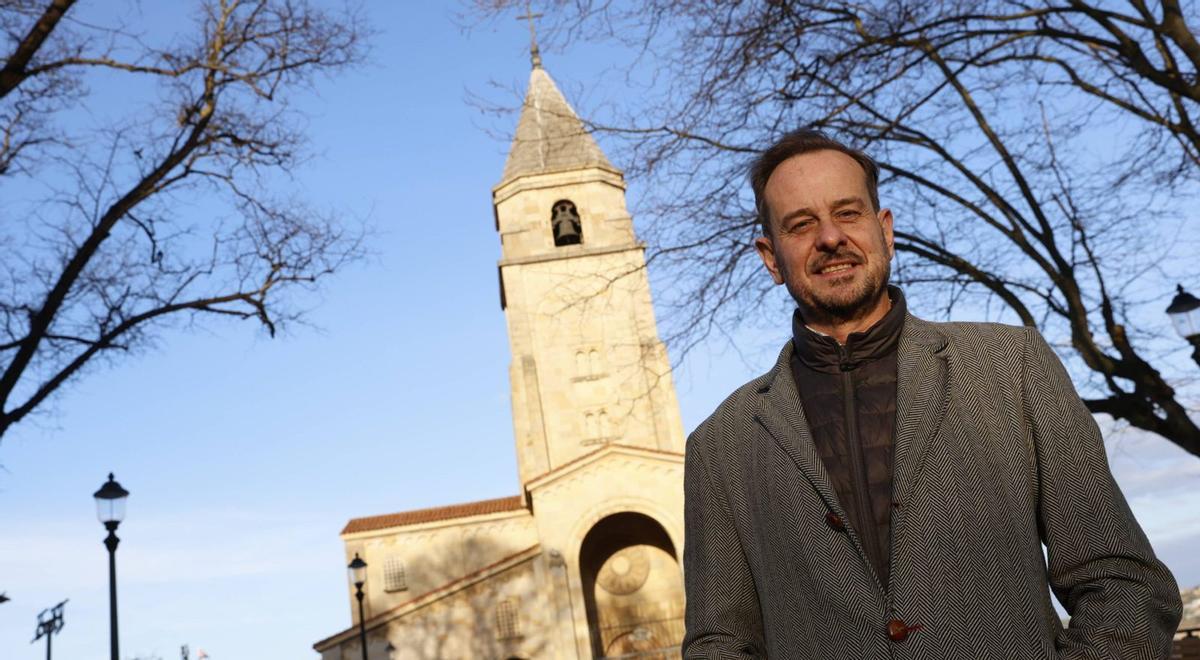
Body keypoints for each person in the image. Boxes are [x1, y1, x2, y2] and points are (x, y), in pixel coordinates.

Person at [682, 129, 1183, 659]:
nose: (830, 237)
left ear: (885, 230)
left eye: (848, 213)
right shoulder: (720, 445)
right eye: (801, 224)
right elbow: (720, 643)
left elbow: (1122, 582)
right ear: (770, 257)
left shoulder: (1012, 366)